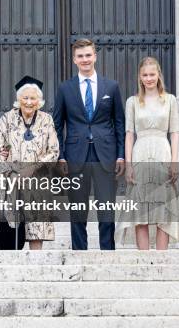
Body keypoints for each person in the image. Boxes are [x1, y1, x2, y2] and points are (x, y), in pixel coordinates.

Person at [52, 38, 126, 250]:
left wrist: (121, 154)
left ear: (95, 56)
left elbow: (119, 122)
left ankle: (107, 253)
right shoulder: (65, 88)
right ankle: (79, 253)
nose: (84, 59)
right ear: (74, 60)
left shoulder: (111, 87)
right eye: (80, 56)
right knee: (77, 208)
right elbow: (57, 125)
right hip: (76, 155)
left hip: (105, 155)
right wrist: (61, 155)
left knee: (106, 208)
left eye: (88, 55)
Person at [115, 57, 179, 249]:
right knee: (141, 210)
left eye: (152, 74)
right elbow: (129, 134)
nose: (149, 78)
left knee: (163, 208)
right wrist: (128, 164)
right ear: (140, 77)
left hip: (163, 152)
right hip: (140, 154)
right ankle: (144, 259)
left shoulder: (170, 100)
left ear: (158, 75)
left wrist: (175, 161)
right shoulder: (133, 102)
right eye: (145, 75)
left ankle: (161, 260)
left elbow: (175, 133)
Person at [0, 76, 60, 250]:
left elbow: (53, 151)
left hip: (37, 182)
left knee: (36, 230)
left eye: (33, 98)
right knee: (10, 232)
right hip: (11, 185)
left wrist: (32, 168)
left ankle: (35, 270)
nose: (29, 102)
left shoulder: (46, 120)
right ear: (18, 99)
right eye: (25, 98)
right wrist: (12, 174)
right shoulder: (6, 119)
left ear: (40, 100)